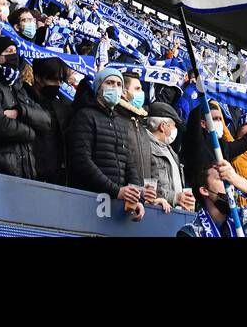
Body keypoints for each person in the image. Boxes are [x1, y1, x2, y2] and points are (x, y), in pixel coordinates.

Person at [67, 66, 145, 221]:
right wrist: (116, 190)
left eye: (118, 84)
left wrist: (136, 197)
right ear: (98, 88)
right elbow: (82, 161)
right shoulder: (85, 116)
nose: (114, 87)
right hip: (89, 203)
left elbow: (129, 164)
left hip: (117, 205)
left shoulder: (121, 123)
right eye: (109, 83)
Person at [0, 36, 50, 179]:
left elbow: (46, 120)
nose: (14, 55)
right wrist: (32, 133)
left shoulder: (17, 85)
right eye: (9, 51)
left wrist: (20, 112)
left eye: (15, 51)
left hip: (24, 171)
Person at [178, 158, 247, 237]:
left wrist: (236, 179)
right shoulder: (191, 233)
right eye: (222, 180)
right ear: (204, 190)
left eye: (230, 181)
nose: (230, 186)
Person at [23, 56, 72, 184]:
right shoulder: (23, 98)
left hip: (55, 177)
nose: (58, 85)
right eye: (53, 79)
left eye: (61, 81)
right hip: (29, 174)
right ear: (38, 77)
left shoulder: (62, 104)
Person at [145, 102, 195, 212]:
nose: (175, 129)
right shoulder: (145, 146)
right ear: (163, 126)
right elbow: (148, 186)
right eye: (173, 125)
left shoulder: (170, 150)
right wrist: (175, 197)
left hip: (172, 213)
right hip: (156, 212)